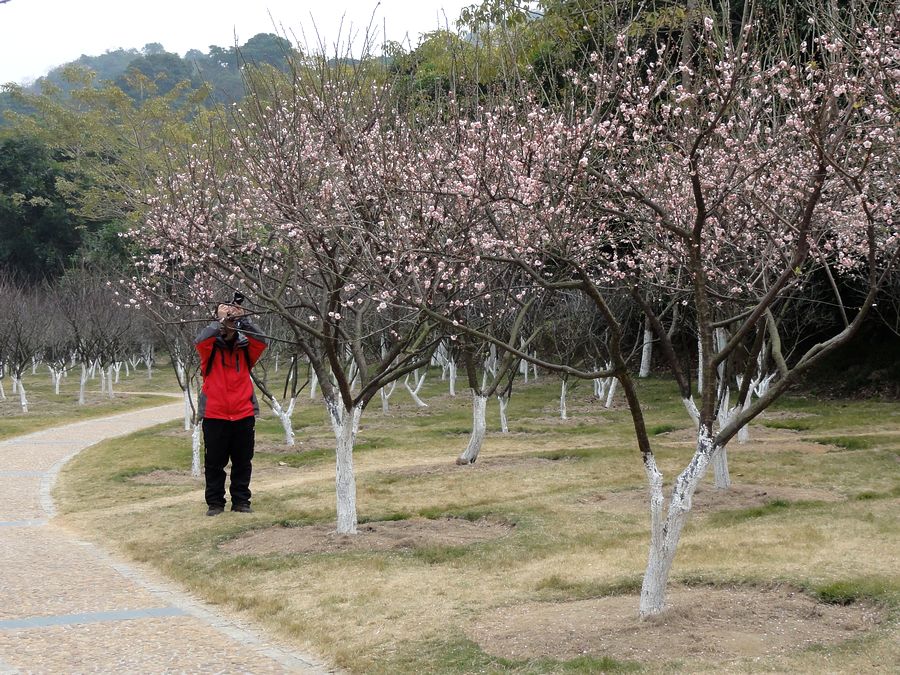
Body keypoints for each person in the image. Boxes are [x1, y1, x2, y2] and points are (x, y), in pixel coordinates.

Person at [194, 300, 267, 516]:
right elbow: (200, 340)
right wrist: (220, 320)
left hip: (243, 413)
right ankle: (215, 503)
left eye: (231, 323)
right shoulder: (210, 350)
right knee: (214, 463)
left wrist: (244, 319)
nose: (229, 327)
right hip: (215, 414)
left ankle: (241, 501)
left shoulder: (245, 350)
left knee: (243, 462)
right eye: (226, 324)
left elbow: (261, 340)